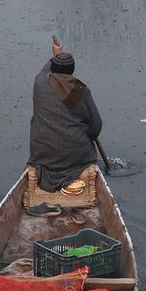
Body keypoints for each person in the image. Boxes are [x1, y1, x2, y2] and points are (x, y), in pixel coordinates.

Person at [28, 36, 104, 195]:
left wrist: (56, 55)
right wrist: (88, 135)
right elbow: (96, 126)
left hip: (41, 156)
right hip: (76, 156)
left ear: (53, 69)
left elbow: (46, 68)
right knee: (83, 151)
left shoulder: (40, 82)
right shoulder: (80, 91)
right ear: (72, 70)